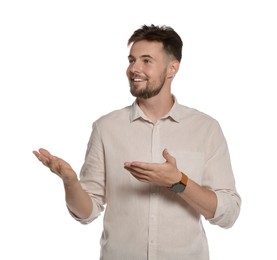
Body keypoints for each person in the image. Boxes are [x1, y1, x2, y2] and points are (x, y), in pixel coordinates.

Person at [33, 24, 241, 260]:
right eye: (132, 60)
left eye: (146, 61)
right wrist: (70, 182)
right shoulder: (105, 128)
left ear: (172, 68)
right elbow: (87, 212)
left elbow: (228, 213)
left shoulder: (206, 129)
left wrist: (178, 181)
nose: (134, 69)